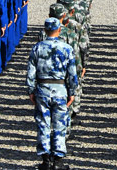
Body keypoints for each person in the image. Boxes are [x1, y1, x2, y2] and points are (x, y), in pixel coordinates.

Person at [26, 18, 78, 170]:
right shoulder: (67, 48)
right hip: (60, 89)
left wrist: (31, 90)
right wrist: (72, 91)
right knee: (60, 124)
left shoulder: (37, 48)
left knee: (43, 123)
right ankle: (58, 159)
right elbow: (72, 74)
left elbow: (30, 72)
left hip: (42, 88)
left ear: (45, 30)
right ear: (59, 30)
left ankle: (45, 159)